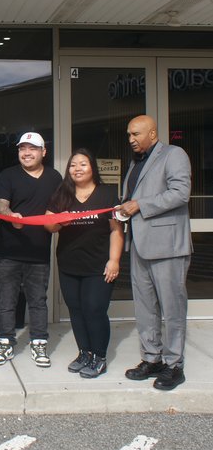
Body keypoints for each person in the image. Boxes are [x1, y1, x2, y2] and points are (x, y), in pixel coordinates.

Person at [120, 115, 192, 391]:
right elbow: (132, 199)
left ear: (153, 133)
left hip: (168, 246)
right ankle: (152, 359)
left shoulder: (174, 154)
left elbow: (180, 193)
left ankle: (174, 365)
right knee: (146, 307)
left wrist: (139, 205)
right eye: (128, 134)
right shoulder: (136, 163)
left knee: (172, 308)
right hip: (139, 244)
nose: (131, 139)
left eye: (136, 134)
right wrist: (123, 207)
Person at [45, 149, 124, 378]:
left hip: (99, 265)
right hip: (69, 264)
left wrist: (114, 260)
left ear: (93, 168)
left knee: (94, 309)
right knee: (76, 311)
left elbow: (116, 229)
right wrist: (61, 222)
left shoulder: (107, 194)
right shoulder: (63, 193)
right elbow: (48, 225)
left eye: (83, 164)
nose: (77, 169)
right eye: (72, 165)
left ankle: (99, 357)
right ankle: (84, 353)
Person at [0, 131, 62, 368]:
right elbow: (1, 203)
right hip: (8, 250)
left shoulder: (54, 178)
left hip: (39, 251)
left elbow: (59, 210)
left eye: (32, 149)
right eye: (23, 149)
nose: (27, 153)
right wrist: (9, 215)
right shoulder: (7, 175)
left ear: (44, 152)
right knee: (6, 300)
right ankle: (5, 342)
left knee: (38, 300)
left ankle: (39, 343)